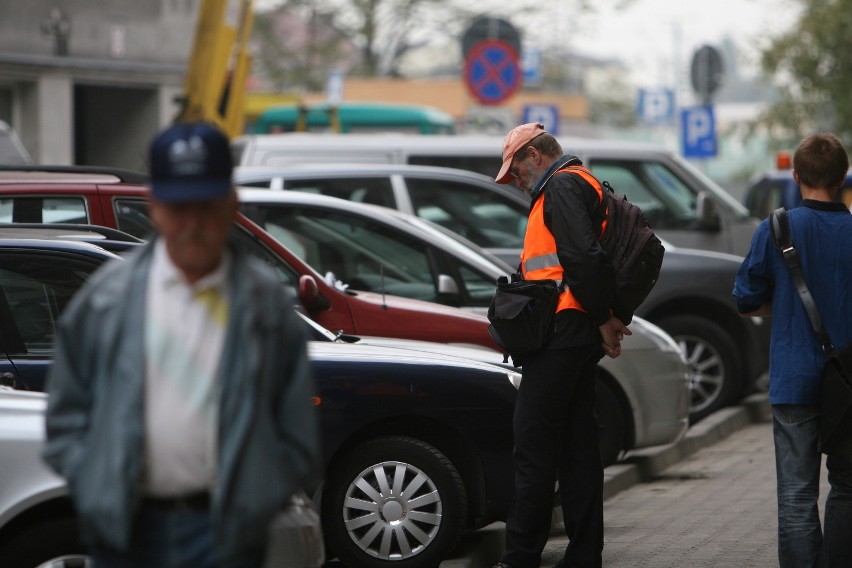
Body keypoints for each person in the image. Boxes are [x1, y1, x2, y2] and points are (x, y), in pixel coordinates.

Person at [42, 121, 320, 568]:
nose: (193, 223)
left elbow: (296, 430)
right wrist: (96, 487)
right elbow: (66, 417)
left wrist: (258, 498)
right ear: (155, 208)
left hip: (228, 536)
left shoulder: (263, 303)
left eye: (206, 205)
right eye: (179, 206)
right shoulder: (107, 298)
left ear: (232, 204)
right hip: (127, 534)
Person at [491, 123, 631, 568]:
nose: (514, 179)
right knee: (576, 450)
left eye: (515, 169)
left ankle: (520, 558)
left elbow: (583, 259)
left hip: (561, 333)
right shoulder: (578, 182)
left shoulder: (563, 187)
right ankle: (584, 555)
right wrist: (602, 319)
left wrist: (604, 318)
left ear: (535, 154)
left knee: (533, 448)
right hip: (572, 332)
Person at [733, 132, 852, 567]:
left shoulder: (777, 228)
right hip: (849, 382)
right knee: (848, 486)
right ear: (842, 177)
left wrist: (783, 301)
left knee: (798, 494)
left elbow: (745, 300)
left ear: (796, 175)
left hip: (794, 378)